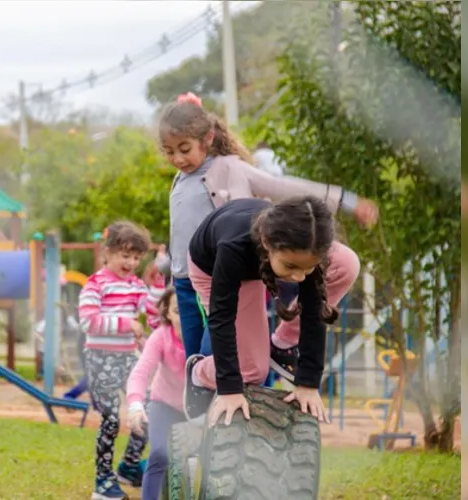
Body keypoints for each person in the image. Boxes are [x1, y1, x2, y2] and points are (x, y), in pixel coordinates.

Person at [152, 91, 378, 367]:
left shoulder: (230, 168)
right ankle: (202, 406)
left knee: (220, 356)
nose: (177, 159)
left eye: (184, 149)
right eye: (169, 152)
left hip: (227, 279)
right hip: (187, 284)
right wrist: (168, 270)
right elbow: (183, 234)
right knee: (195, 365)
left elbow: (285, 188)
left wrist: (347, 201)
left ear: (207, 138)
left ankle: (283, 342)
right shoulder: (181, 179)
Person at [181, 196, 361, 426]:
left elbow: (314, 313)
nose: (299, 277)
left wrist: (307, 383)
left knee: (345, 262)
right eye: (291, 267)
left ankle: (283, 345)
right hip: (212, 267)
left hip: (263, 258)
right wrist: (229, 389)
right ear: (267, 244)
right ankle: (198, 373)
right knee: (251, 370)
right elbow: (221, 317)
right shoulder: (233, 246)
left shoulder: (306, 252)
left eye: (308, 268)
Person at [78, 221, 152, 500]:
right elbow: (89, 321)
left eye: (136, 257)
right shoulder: (95, 284)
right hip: (100, 359)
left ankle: (129, 467)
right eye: (125, 255)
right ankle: (103, 480)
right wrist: (124, 324)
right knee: (110, 419)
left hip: (128, 360)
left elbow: (146, 319)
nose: (131, 262)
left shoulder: (137, 286)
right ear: (107, 253)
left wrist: (147, 338)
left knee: (144, 412)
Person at [125, 287, 186, 500]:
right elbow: (141, 372)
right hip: (165, 404)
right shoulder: (161, 337)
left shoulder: (208, 338)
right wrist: (135, 404)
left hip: (201, 407)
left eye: (189, 310)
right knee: (159, 454)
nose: (184, 317)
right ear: (168, 313)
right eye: (178, 311)